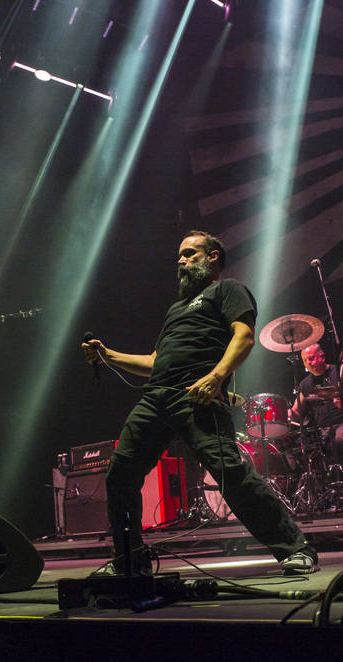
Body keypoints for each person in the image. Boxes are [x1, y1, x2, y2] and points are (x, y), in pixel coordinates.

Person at [82, 230, 318, 576]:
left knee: (231, 473)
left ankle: (296, 548)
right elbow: (154, 361)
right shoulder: (175, 310)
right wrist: (107, 355)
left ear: (213, 257)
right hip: (155, 398)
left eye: (190, 253)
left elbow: (244, 336)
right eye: (179, 255)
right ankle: (129, 561)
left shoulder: (227, 290)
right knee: (121, 474)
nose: (181, 260)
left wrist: (216, 376)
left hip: (197, 394)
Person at [289, 344, 343, 477]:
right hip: (322, 431)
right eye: (305, 361)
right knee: (306, 451)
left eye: (310, 359)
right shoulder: (305, 384)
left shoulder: (341, 371)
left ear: (322, 356)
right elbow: (296, 411)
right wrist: (284, 414)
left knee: (340, 442)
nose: (308, 363)